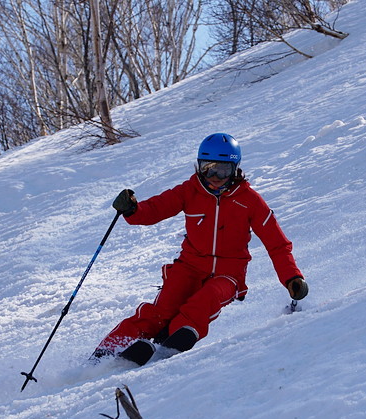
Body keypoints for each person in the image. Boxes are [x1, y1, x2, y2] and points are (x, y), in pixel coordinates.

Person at [91, 133, 308, 365]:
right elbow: (156, 208)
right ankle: (105, 355)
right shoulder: (190, 191)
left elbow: (277, 244)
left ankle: (167, 343)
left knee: (205, 300)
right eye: (208, 169)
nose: (214, 177)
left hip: (229, 273)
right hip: (189, 266)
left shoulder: (250, 201)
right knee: (161, 310)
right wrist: (133, 210)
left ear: (235, 169)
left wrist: (291, 277)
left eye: (222, 170)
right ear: (199, 166)